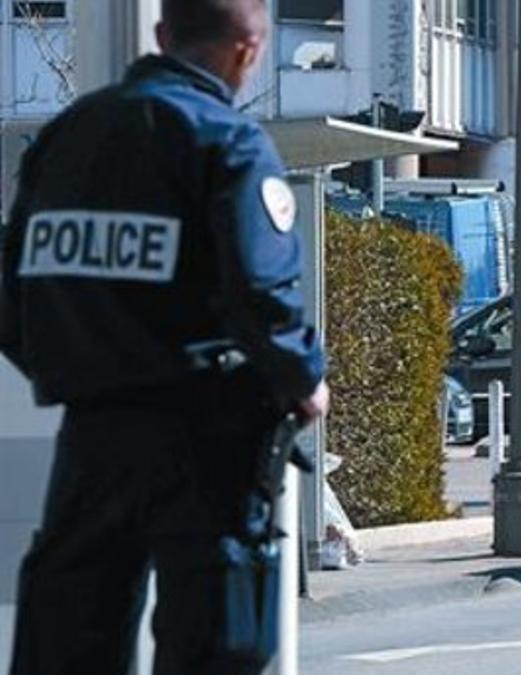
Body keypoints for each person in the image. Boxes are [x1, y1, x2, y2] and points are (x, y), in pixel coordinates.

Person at [1, 1, 328, 673]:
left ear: (161, 35)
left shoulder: (69, 136)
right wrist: (303, 380)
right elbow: (263, 295)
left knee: (67, 640)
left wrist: (79, 365)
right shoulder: (227, 143)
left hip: (91, 438)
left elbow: (12, 296)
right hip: (207, 438)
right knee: (214, 643)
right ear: (248, 49)